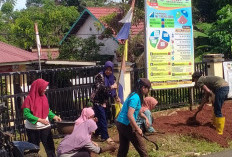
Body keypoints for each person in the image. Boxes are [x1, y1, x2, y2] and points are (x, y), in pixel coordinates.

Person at [21, 79, 62, 157]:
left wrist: (54, 116)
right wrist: (40, 120)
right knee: (33, 150)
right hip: (32, 129)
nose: (45, 89)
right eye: (44, 87)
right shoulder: (29, 99)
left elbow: (47, 110)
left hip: (45, 127)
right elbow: (26, 114)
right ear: (38, 87)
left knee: (50, 149)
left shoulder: (44, 97)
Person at [116, 78, 151, 157]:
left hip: (120, 123)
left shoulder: (133, 95)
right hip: (126, 124)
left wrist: (145, 117)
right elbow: (130, 115)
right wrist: (138, 129)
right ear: (143, 88)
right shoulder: (135, 97)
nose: (148, 91)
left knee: (123, 148)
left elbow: (136, 111)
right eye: (148, 88)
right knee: (141, 148)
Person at [91, 61, 117, 144]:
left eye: (110, 70)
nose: (108, 71)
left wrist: (116, 97)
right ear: (104, 68)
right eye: (107, 69)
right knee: (102, 118)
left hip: (105, 101)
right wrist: (111, 87)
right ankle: (105, 137)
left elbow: (113, 90)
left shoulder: (112, 78)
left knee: (101, 118)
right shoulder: (99, 76)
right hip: (97, 100)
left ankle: (96, 134)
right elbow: (100, 88)